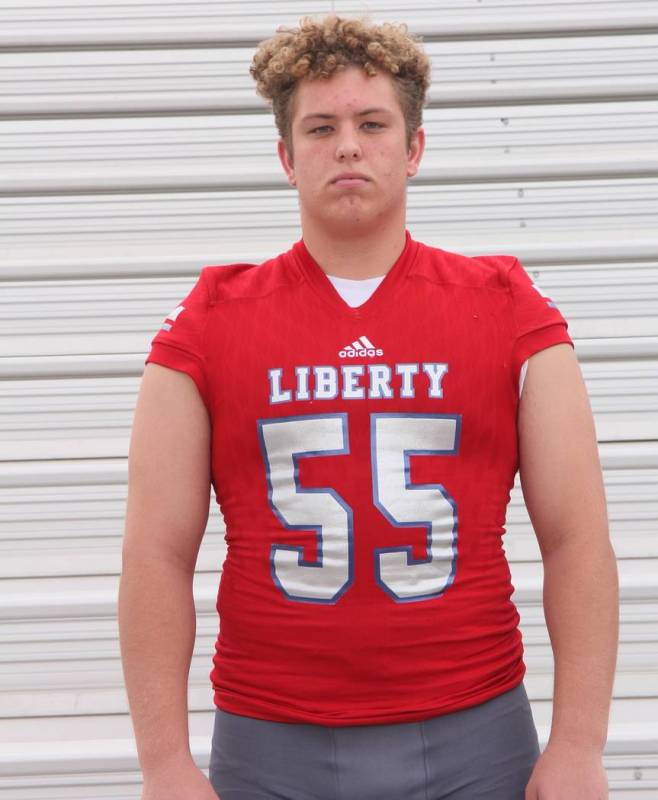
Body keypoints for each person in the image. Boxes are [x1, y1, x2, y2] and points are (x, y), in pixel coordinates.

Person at [119, 14, 619, 800]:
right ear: (286, 157)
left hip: (473, 731)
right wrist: (163, 763)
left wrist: (581, 746)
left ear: (414, 148)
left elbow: (577, 537)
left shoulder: (507, 306)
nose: (347, 145)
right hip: (269, 737)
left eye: (372, 123)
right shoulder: (210, 318)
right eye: (321, 127)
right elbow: (155, 553)